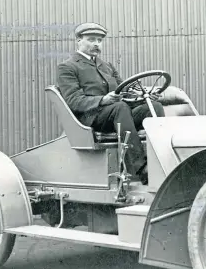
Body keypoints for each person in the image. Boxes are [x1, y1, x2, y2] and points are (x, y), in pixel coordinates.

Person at [56, 22, 166, 185]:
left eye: (99, 40)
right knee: (119, 108)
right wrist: (102, 100)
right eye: (91, 39)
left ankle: (162, 159)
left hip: (116, 114)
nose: (96, 44)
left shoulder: (107, 66)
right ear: (78, 40)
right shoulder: (68, 67)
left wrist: (146, 97)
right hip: (91, 119)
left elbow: (125, 92)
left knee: (153, 107)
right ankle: (141, 168)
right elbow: (73, 101)